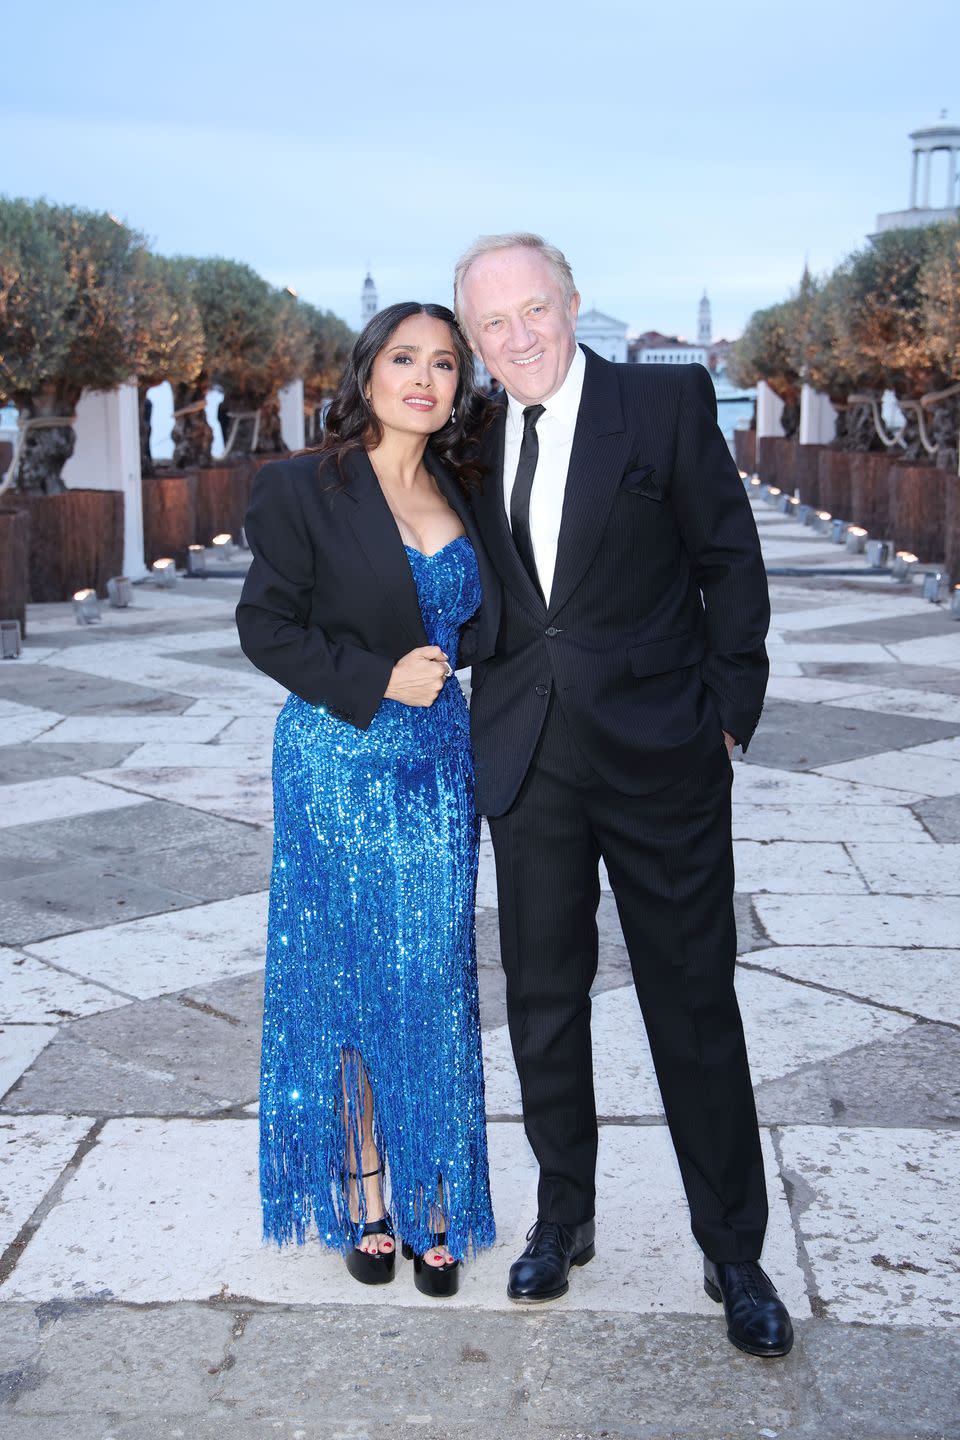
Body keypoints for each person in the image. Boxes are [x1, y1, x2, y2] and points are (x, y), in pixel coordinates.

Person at [455, 233, 793, 1356]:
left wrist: (727, 717)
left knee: (692, 1004)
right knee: (544, 1003)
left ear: (572, 302)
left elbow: (729, 561)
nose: (517, 338)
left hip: (663, 759)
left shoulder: (663, 403)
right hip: (529, 758)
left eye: (532, 310)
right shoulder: (469, 433)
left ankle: (734, 1251)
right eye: (492, 325)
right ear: (474, 340)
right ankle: (565, 1215)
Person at [236, 302, 498, 1298]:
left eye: (443, 362)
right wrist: (377, 677)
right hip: (336, 755)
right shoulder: (303, 486)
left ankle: (437, 1199)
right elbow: (264, 627)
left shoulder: (471, 488)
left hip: (437, 765)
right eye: (404, 358)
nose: (424, 378)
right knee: (345, 977)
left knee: (430, 976)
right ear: (368, 372)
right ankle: (366, 1195)